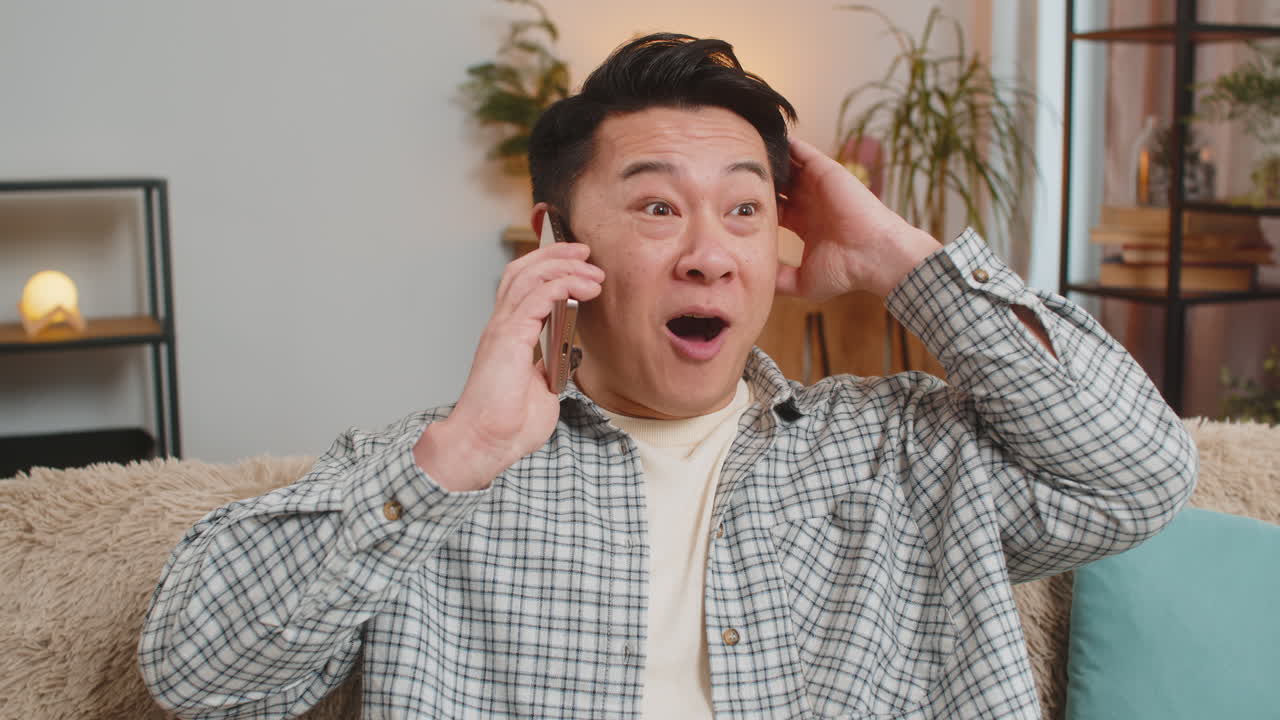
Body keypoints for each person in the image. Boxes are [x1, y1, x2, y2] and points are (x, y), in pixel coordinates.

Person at [140, 33, 1196, 719]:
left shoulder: (905, 449)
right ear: (557, 241)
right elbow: (197, 673)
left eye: (744, 208)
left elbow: (1138, 474)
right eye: (655, 206)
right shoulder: (433, 471)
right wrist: (452, 460)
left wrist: (897, 259)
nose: (708, 251)